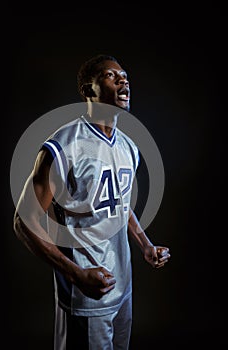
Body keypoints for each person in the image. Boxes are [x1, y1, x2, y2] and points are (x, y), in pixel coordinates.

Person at [13, 54, 171, 350]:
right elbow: (24, 221)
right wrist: (76, 274)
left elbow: (119, 205)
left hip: (123, 286)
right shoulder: (64, 145)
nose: (123, 79)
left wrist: (146, 245)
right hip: (86, 291)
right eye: (112, 76)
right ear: (89, 90)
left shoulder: (128, 146)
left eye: (124, 75)